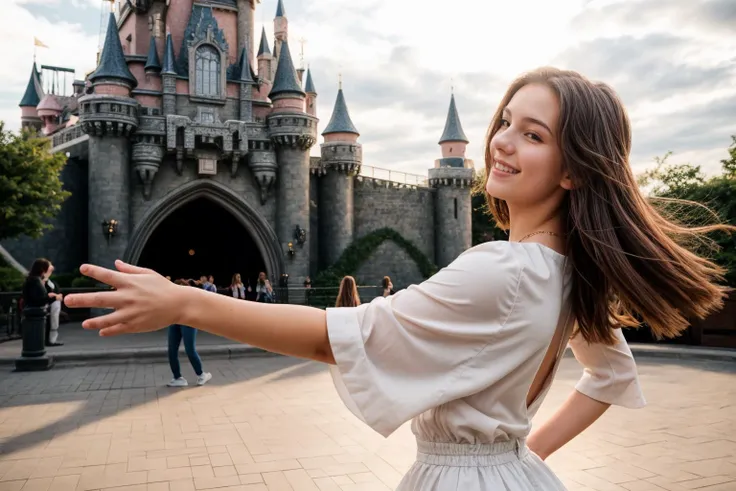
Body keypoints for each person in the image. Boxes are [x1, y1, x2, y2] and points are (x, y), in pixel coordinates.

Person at [65, 67, 733, 490]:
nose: (501, 140)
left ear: (574, 170)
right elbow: (612, 376)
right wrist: (518, 456)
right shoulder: (567, 273)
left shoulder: (502, 270)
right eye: (505, 120)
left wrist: (186, 300)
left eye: (533, 135)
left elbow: (341, 335)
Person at [166, 279, 212, 387]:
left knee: (189, 349)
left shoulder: (190, 296)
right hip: (174, 322)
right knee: (172, 351)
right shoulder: (171, 296)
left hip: (188, 322)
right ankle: (177, 377)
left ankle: (201, 374)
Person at [44, 262, 64, 346]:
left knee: (54, 322)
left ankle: (52, 339)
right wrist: (55, 296)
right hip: (47, 304)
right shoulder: (42, 282)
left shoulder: (51, 282)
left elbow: (57, 291)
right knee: (48, 323)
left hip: (54, 305)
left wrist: (58, 295)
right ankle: (48, 340)